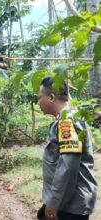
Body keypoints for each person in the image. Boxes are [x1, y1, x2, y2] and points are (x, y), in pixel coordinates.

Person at [37, 77, 98, 220]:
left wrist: (54, 202)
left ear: (51, 97)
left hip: (69, 205)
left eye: (39, 98)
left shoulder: (67, 121)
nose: (38, 102)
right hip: (66, 201)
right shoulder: (65, 118)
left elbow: (68, 166)